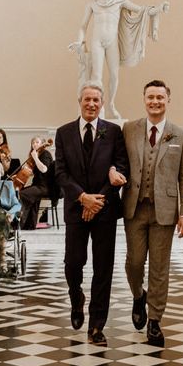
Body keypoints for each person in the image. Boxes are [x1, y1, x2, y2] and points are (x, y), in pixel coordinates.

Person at [54, 83, 129, 346]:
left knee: (103, 268)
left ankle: (97, 325)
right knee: (73, 263)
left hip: (105, 209)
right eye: (87, 99)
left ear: (102, 102)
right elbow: (60, 173)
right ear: (79, 101)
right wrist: (82, 197)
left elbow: (121, 166)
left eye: (96, 100)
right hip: (76, 209)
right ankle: (76, 298)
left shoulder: (113, 131)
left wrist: (98, 200)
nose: (92, 104)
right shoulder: (63, 133)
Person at [122, 80, 183, 347]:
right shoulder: (129, 129)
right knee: (135, 262)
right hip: (134, 207)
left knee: (160, 268)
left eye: (160, 97)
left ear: (168, 100)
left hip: (164, 211)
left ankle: (154, 320)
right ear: (144, 99)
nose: (155, 102)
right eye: (151, 97)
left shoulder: (180, 135)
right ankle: (138, 295)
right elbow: (119, 161)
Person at [69, 0, 169, 119]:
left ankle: (111, 105)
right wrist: (79, 41)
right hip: (96, 41)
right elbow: (83, 26)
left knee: (114, 76)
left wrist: (159, 9)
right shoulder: (92, 4)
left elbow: (141, 10)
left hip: (112, 41)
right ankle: (99, 110)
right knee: (96, 76)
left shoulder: (119, 0)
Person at [18, 136, 58, 230]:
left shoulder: (45, 154)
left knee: (23, 194)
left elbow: (44, 170)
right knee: (24, 192)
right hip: (38, 186)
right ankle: (29, 225)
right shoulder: (37, 155)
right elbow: (35, 172)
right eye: (33, 143)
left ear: (42, 144)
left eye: (37, 142)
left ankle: (19, 224)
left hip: (46, 187)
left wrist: (35, 158)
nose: (34, 144)